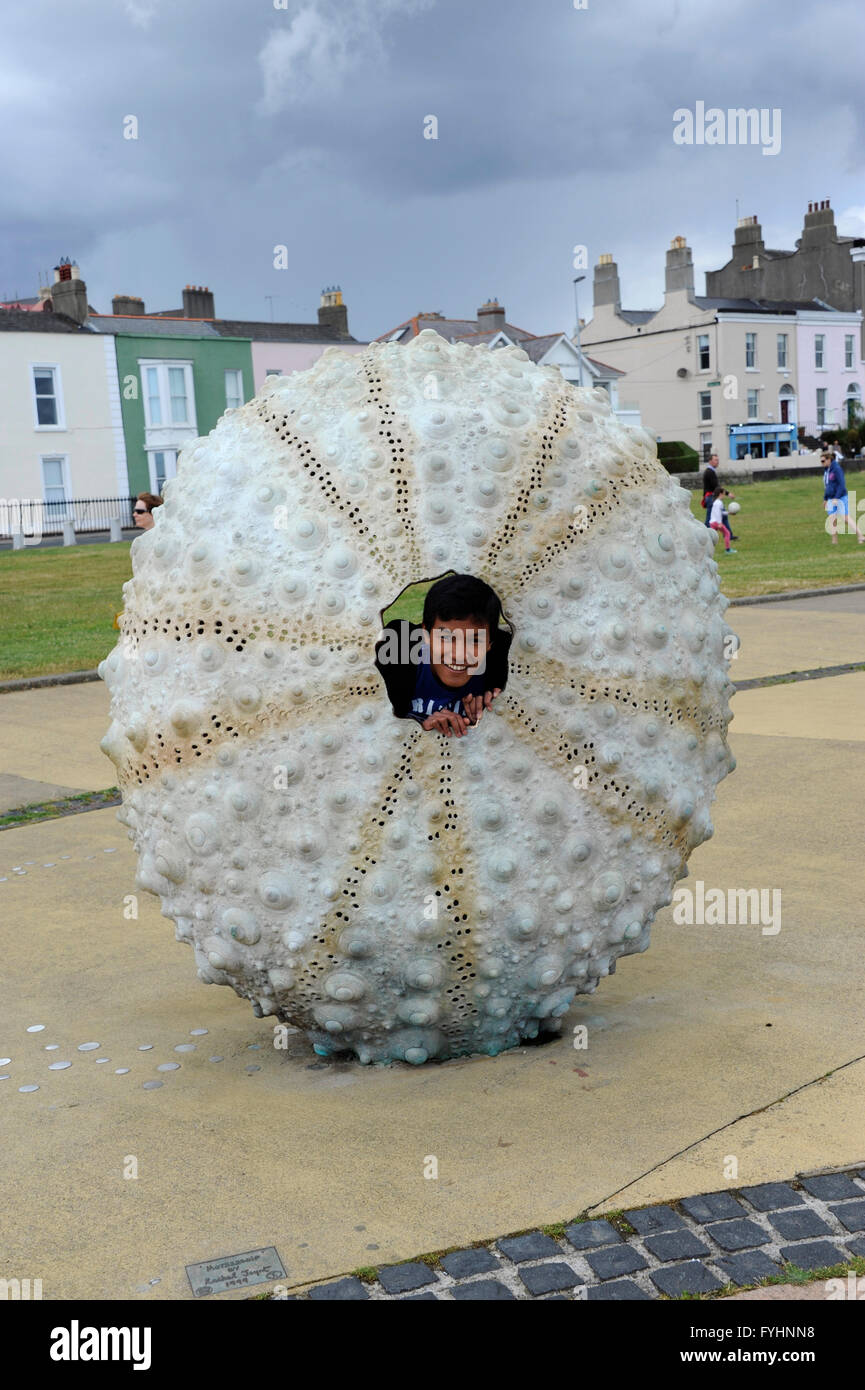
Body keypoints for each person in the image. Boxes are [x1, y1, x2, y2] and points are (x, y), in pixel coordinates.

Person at [374, 573, 512, 737]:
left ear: (490, 643)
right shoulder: (399, 663)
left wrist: (492, 709)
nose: (459, 655)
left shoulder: (496, 673)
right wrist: (421, 728)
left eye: (474, 640)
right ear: (425, 635)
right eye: (446, 638)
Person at [822, 451, 864, 546]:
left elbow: (842, 484)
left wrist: (836, 498)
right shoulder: (827, 470)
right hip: (830, 498)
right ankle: (834, 541)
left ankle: (860, 536)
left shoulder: (836, 469)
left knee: (845, 518)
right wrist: (825, 498)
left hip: (840, 497)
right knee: (832, 519)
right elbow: (827, 485)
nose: (822, 463)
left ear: (829, 459)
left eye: (823, 461)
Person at [701, 455, 737, 537]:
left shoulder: (710, 471)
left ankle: (728, 535)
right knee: (709, 520)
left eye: (718, 460)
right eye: (715, 460)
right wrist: (728, 494)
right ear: (710, 461)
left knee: (715, 518)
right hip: (711, 498)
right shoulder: (710, 472)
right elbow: (716, 487)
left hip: (711, 498)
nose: (717, 461)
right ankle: (705, 535)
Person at [708, 487, 736, 553]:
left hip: (712, 522)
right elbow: (718, 514)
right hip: (716, 522)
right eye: (723, 494)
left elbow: (720, 512)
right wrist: (720, 523)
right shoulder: (719, 503)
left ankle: (708, 550)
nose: (724, 496)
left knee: (711, 538)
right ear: (720, 494)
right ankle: (728, 550)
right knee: (727, 533)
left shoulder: (716, 502)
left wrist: (729, 513)